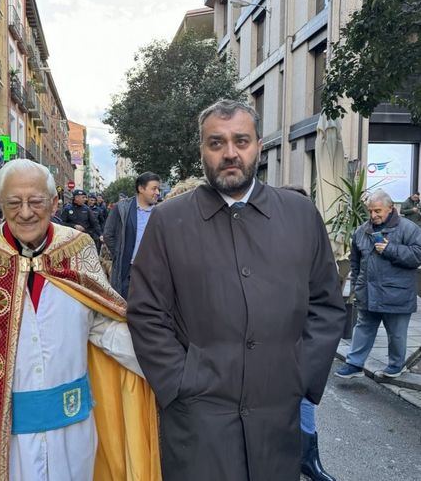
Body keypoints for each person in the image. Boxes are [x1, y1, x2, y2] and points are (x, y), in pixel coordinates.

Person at [126, 100, 346, 481]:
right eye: (216, 143)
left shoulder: (300, 214)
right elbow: (146, 312)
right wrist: (180, 382)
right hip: (198, 418)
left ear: (259, 145)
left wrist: (300, 376)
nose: (230, 153)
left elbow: (326, 305)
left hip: (277, 414)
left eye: (241, 141)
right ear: (202, 150)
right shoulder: (168, 221)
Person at [0, 159, 160, 480]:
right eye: (13, 202)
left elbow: (103, 323)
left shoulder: (76, 249)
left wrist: (163, 364)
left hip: (73, 425)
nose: (25, 212)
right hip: (5, 433)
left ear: (53, 203)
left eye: (35, 201)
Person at [335, 189, 421, 379]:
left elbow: (417, 256)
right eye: (371, 211)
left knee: (397, 334)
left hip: (397, 294)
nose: (373, 215)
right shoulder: (361, 231)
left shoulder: (409, 229)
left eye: (378, 211)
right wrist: (358, 286)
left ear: (390, 209)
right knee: (363, 327)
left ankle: (396, 365)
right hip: (368, 292)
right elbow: (356, 263)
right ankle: (354, 364)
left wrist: (390, 249)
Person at [280, 185, 335, 481]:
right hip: (270, 341)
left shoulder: (313, 242)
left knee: (304, 396)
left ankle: (308, 457)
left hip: (303, 339)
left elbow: (327, 301)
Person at [103, 172, 161, 299]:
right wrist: (120, 253)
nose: (158, 192)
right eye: (154, 188)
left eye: (158, 189)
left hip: (152, 271)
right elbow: (108, 234)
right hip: (127, 270)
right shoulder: (122, 208)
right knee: (125, 309)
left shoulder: (161, 211)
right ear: (141, 188)